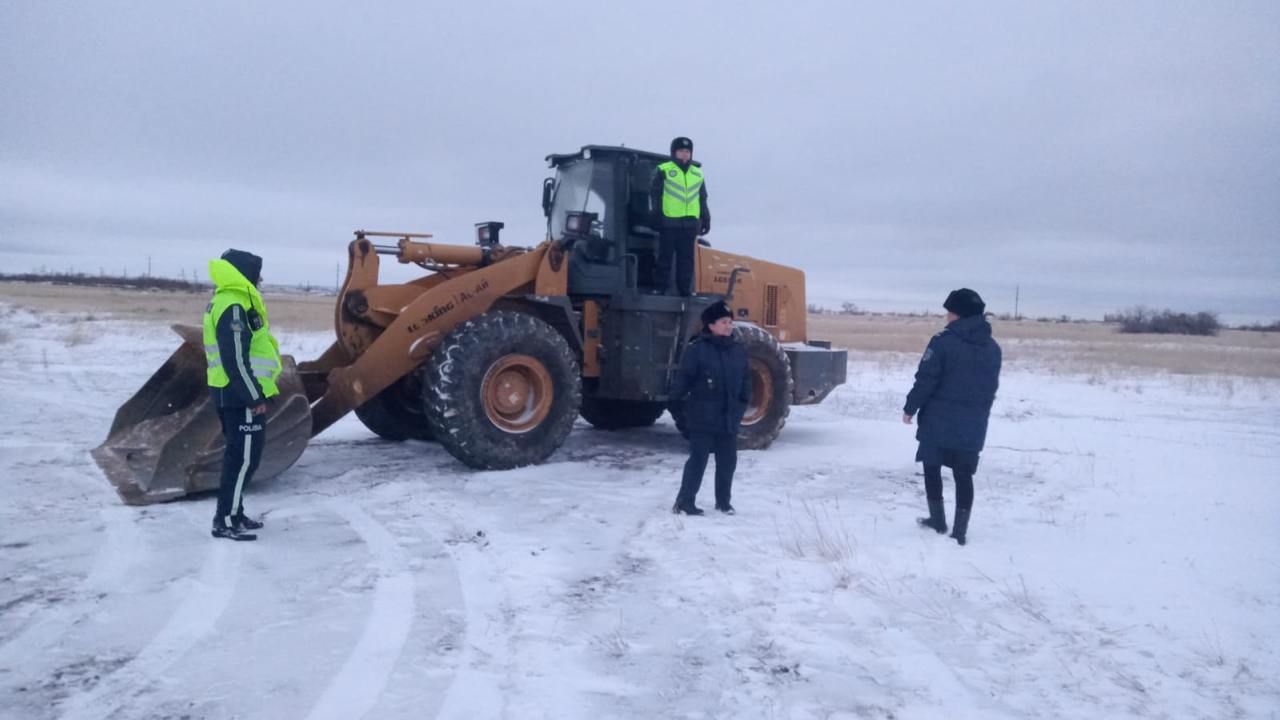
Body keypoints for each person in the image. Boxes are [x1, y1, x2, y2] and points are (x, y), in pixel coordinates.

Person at [902, 288, 1002, 546]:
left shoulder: (942, 342)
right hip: (974, 421)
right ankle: (960, 531)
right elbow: (991, 387)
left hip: (939, 418)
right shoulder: (993, 348)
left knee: (931, 467)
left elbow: (926, 379)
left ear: (959, 314)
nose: (947, 317)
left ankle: (938, 520)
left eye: (950, 312)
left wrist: (910, 407)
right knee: (963, 474)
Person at [203, 249, 283, 541]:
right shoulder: (233, 306)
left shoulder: (232, 300)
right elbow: (234, 359)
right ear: (245, 273)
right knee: (242, 460)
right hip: (240, 396)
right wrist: (254, 397)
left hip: (235, 393)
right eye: (257, 273)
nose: (261, 279)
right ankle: (224, 520)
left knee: (244, 457)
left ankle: (234, 513)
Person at [670, 301, 750, 515]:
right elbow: (681, 385)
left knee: (728, 463)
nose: (729, 326)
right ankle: (685, 502)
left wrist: (740, 409)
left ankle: (723, 502)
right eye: (724, 322)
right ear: (711, 325)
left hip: (728, 419)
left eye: (730, 322)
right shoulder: (697, 351)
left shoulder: (738, 351)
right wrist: (683, 415)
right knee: (698, 461)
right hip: (702, 419)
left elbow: (745, 384)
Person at [651, 136, 710, 296]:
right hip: (669, 221)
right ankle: (660, 287)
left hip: (690, 223)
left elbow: (702, 197)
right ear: (674, 152)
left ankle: (685, 290)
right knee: (665, 257)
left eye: (687, 151)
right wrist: (656, 215)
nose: (684, 154)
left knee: (687, 259)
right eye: (681, 151)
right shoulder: (664, 170)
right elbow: (655, 195)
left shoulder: (697, 173)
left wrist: (705, 217)